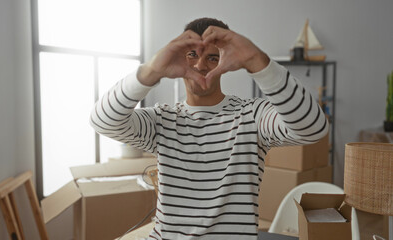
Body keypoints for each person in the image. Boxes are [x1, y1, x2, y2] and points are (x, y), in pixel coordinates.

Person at [90, 17, 328, 240]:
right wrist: (151, 71)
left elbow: (313, 128)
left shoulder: (251, 116)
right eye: (191, 55)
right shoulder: (162, 120)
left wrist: (257, 61)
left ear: (225, 64)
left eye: (212, 58)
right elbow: (102, 120)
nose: (200, 64)